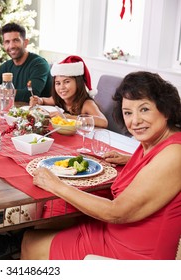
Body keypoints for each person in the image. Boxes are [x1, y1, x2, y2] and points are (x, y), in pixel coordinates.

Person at [21, 71, 181, 260]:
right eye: (128, 112)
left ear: (166, 110)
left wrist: (55, 184)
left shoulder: (174, 154)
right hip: (119, 232)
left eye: (144, 109)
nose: (135, 120)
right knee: (47, 224)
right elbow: (158, 171)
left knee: (31, 242)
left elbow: (115, 212)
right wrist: (130, 159)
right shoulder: (157, 144)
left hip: (133, 253)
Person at [0, 22, 52, 103]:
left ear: (25, 42)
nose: (11, 46)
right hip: (13, 112)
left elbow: (31, 95)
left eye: (16, 40)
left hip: (39, 114)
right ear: (3, 45)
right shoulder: (7, 66)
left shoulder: (39, 64)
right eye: (7, 42)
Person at [30, 55, 108, 128]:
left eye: (67, 82)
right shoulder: (59, 99)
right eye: (58, 83)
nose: (62, 87)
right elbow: (44, 100)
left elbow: (103, 122)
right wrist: (39, 100)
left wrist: (68, 117)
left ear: (78, 83)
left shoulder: (87, 104)